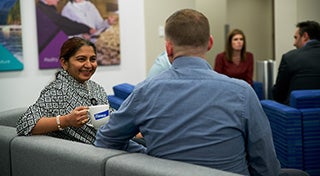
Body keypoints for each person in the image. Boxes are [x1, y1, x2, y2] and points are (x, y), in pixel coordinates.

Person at [94, 9, 281, 175]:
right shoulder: (242, 92)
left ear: (168, 47)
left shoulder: (145, 91)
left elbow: (105, 140)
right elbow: (266, 164)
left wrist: (147, 158)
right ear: (210, 43)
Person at [16, 37, 110, 144]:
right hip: (92, 153)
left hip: (113, 142)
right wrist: (66, 120)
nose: (89, 65)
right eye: (81, 59)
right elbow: (24, 125)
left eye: (92, 59)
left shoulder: (96, 88)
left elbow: (109, 116)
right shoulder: (58, 90)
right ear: (64, 63)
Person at [272, 20, 320, 104]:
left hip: (296, 114)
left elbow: (278, 94)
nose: (294, 43)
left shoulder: (289, 58)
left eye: (296, 38)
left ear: (305, 36)